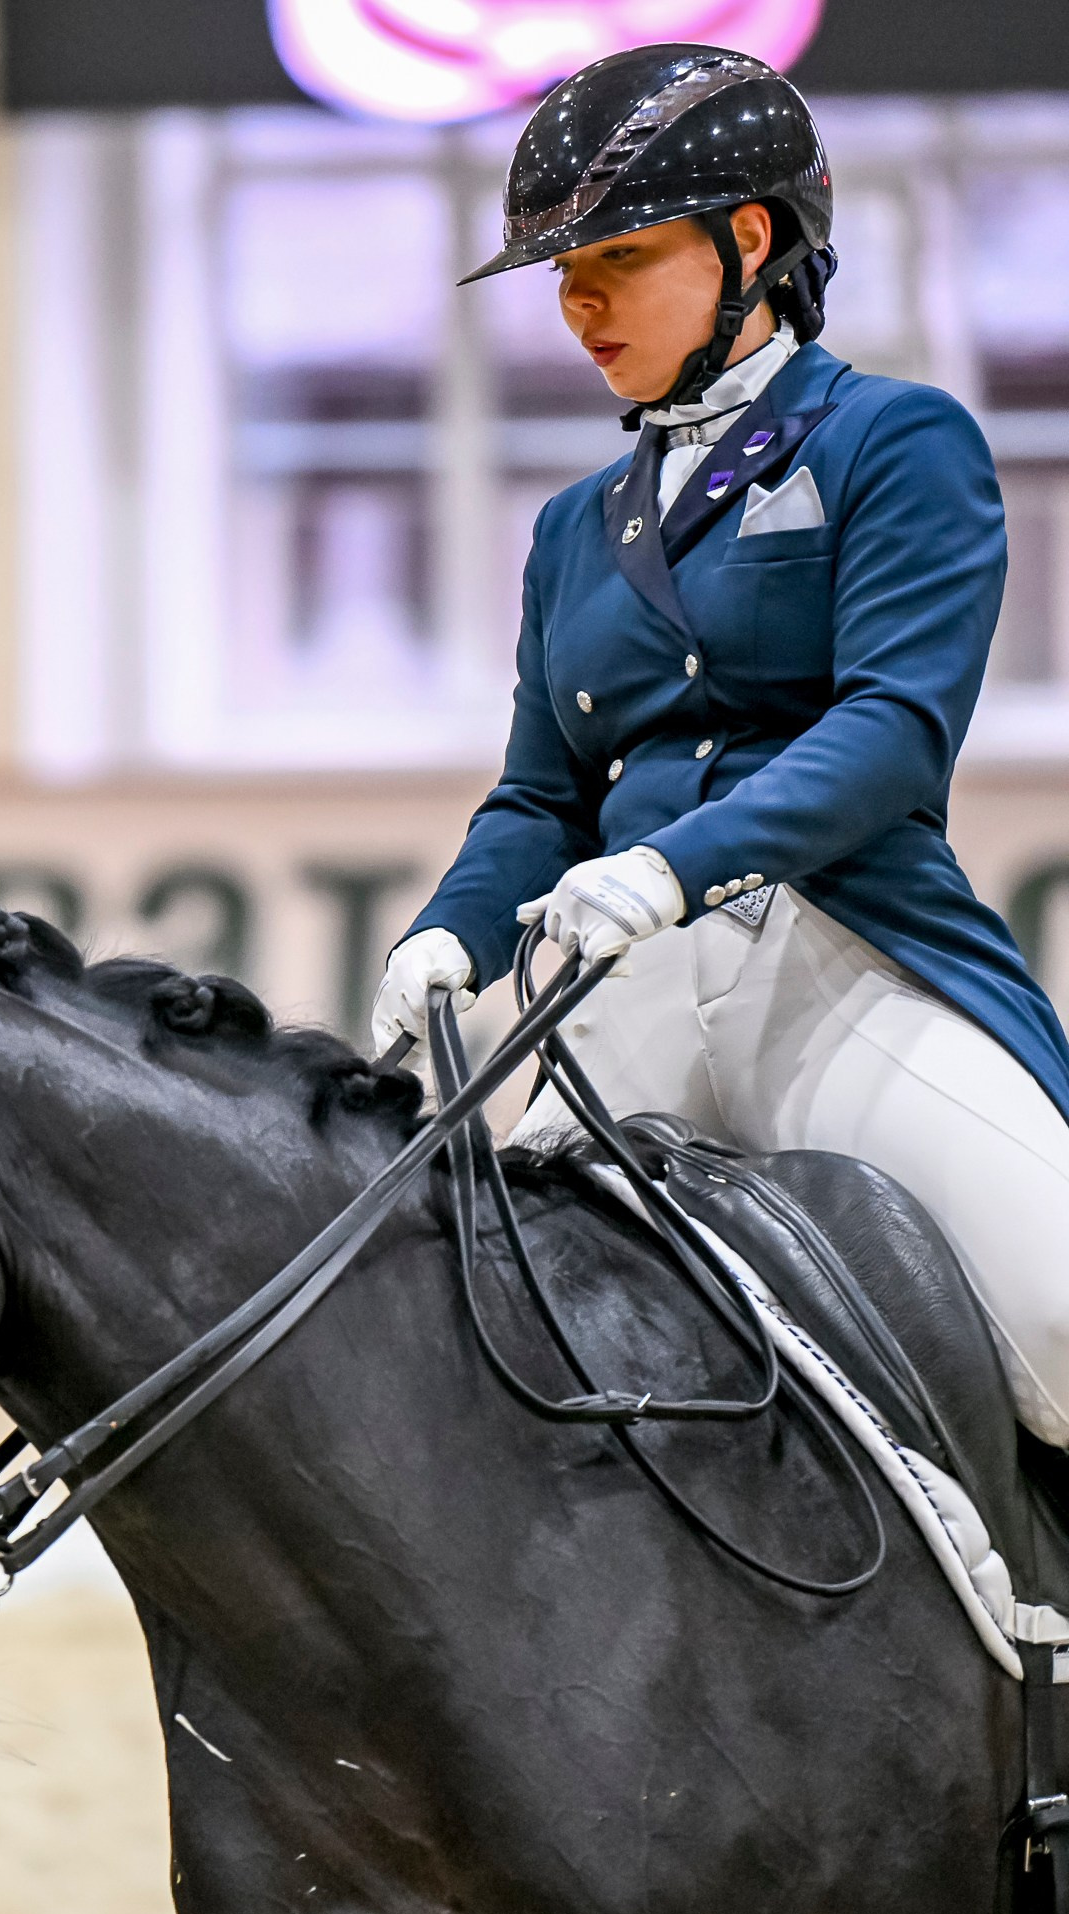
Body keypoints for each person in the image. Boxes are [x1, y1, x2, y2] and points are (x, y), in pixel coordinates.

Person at [369, 43, 1069, 1447]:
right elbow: (541, 792)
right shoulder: (575, 526)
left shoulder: (896, 442)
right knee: (496, 1393)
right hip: (619, 994)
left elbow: (890, 734)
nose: (576, 305)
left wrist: (674, 865)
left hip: (843, 961)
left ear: (750, 240)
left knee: (1062, 1313)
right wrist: (453, 932)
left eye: (618, 258)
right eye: (561, 274)